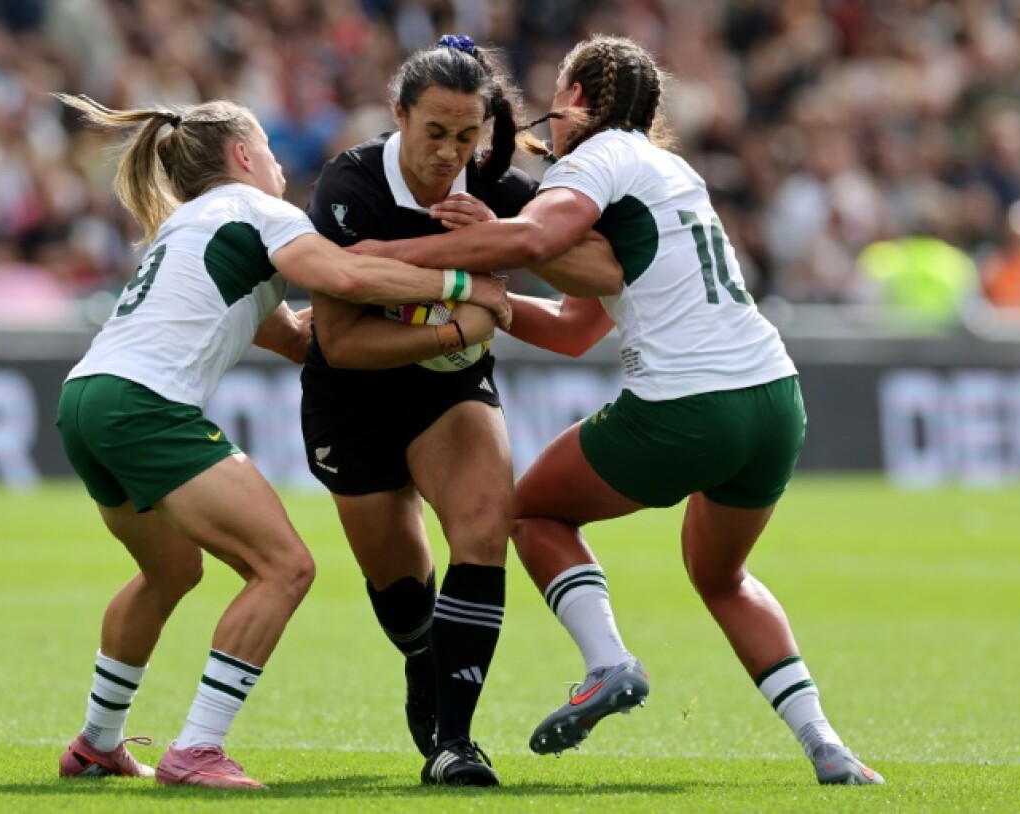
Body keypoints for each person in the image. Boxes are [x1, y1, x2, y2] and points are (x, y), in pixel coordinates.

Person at [351, 34, 885, 786]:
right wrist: (494, 301)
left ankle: (607, 662)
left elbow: (535, 234)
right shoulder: (670, 172)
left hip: (687, 402)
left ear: (577, 97)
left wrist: (392, 255)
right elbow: (576, 329)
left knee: (530, 512)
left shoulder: (597, 157)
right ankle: (826, 745)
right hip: (774, 398)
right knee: (723, 577)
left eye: (557, 92)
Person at [51, 93, 508, 790]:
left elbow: (297, 337)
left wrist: (401, 331)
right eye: (267, 148)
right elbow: (346, 275)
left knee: (170, 573)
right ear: (242, 155)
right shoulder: (259, 210)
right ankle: (197, 749)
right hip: (145, 408)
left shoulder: (190, 226)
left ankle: (96, 742)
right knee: (285, 567)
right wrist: (461, 288)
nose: (278, 165)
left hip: (85, 400)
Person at [301, 34, 618, 787]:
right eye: (434, 132)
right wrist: (455, 320)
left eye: (466, 135)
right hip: (354, 400)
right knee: (404, 600)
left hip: (451, 393)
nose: (449, 153)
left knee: (483, 528)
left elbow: (605, 268)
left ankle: (454, 742)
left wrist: (507, 238)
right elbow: (340, 343)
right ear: (399, 114)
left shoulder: (499, 190)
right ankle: (424, 660)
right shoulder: (348, 188)